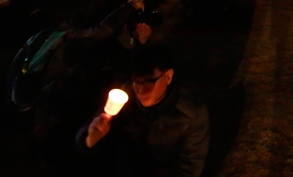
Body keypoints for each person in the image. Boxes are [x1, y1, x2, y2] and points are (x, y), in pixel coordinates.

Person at [77, 44, 209, 177]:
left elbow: (190, 167)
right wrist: (90, 139)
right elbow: (97, 122)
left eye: (149, 82)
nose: (141, 91)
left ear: (168, 76)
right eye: (136, 81)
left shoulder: (191, 113)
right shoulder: (125, 95)